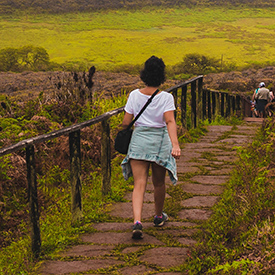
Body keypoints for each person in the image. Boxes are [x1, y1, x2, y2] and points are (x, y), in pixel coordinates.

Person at [121, 56, 181, 239]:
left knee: (139, 184)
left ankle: (137, 221)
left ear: (144, 74)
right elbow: (170, 121)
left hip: (139, 139)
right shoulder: (166, 97)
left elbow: (126, 122)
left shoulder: (134, 95)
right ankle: (157, 216)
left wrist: (124, 129)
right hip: (159, 142)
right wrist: (175, 145)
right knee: (159, 182)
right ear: (162, 76)